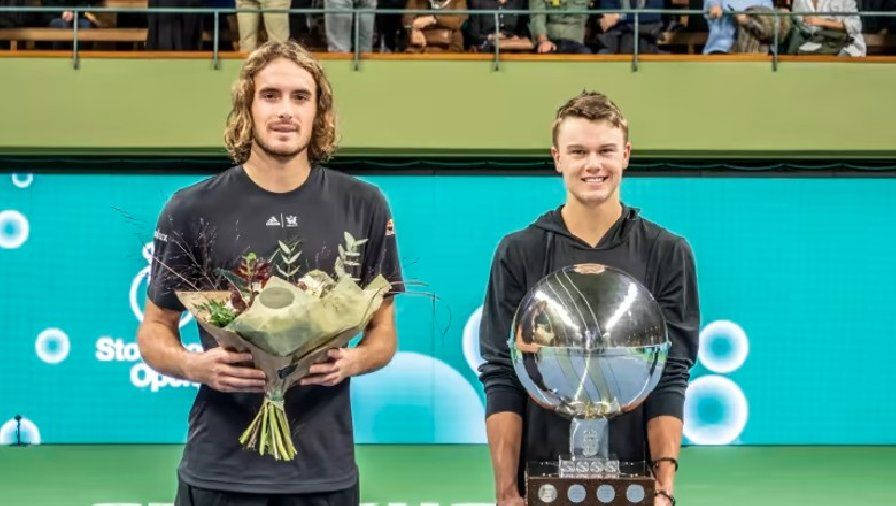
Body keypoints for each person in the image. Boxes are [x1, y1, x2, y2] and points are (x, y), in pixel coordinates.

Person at [137, 40, 403, 506]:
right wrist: (194, 365)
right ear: (247, 106)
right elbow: (155, 331)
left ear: (319, 111)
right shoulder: (191, 207)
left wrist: (354, 361)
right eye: (270, 95)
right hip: (219, 470)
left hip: (324, 473)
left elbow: (383, 335)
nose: (285, 111)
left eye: (300, 97)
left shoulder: (364, 205)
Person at [478, 91, 699, 506]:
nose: (593, 164)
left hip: (637, 484)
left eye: (605, 151)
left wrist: (664, 488)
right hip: (539, 483)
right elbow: (501, 374)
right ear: (557, 157)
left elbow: (670, 374)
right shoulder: (518, 252)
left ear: (626, 154)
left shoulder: (668, 252)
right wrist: (506, 490)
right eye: (578, 151)